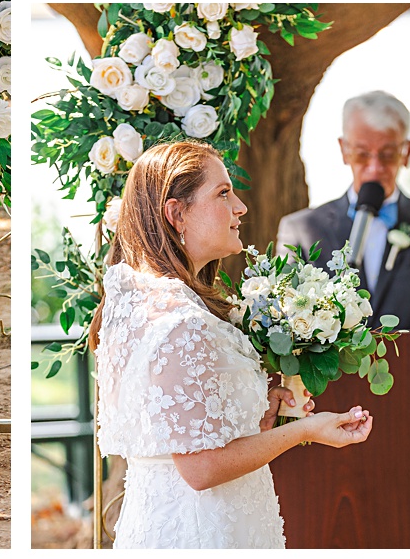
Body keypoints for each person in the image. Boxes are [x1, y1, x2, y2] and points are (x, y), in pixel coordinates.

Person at [94, 140, 374, 549]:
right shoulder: (178, 322)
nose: (240, 207)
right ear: (176, 214)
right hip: (199, 533)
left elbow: (187, 436)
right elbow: (201, 468)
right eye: (222, 193)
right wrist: (306, 431)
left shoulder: (152, 300)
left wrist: (258, 417)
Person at [277, 91, 410, 331]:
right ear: (344, 150)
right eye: (362, 154)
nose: (374, 169)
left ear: (407, 151)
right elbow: (287, 315)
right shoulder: (301, 231)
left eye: (387, 155)